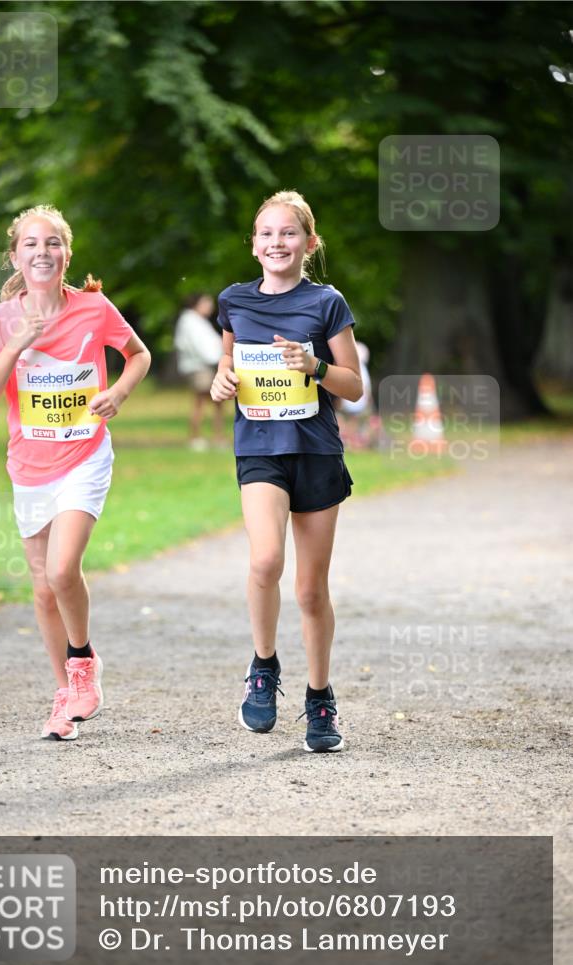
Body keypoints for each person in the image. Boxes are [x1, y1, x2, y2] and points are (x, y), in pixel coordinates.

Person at [0, 205, 151, 741]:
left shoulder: (93, 308)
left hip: (85, 456)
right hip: (29, 465)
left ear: (67, 254)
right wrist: (17, 343)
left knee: (61, 569)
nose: (42, 252)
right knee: (43, 588)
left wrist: (117, 391)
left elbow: (137, 355)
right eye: (31, 244)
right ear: (15, 255)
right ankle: (66, 694)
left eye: (52, 243)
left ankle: (82, 664)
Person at [211, 190, 363, 753]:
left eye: (288, 233)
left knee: (309, 589)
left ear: (309, 242)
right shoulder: (234, 301)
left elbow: (354, 385)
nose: (277, 242)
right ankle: (264, 666)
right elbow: (227, 362)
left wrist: (315, 365)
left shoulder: (327, 302)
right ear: (254, 245)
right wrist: (218, 380)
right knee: (265, 560)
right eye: (267, 234)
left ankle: (320, 698)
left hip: (317, 451)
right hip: (260, 449)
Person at [174, 292, 225, 449]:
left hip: (206, 366)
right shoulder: (190, 321)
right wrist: (217, 358)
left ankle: (217, 437)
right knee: (201, 402)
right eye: (207, 302)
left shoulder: (198, 321)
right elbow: (200, 347)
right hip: (200, 367)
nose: (210, 306)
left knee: (217, 402)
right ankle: (196, 438)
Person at [338, 341, 378, 449]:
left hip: (352, 402)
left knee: (351, 422)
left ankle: (352, 442)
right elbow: (366, 389)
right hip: (356, 402)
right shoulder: (362, 370)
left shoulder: (352, 367)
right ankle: (355, 442)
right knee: (355, 422)